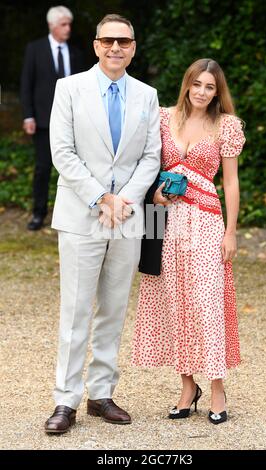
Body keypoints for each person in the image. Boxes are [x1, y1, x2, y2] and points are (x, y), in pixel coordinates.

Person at [45, 14, 161, 433]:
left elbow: (151, 156)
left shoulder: (147, 95)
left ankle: (101, 394)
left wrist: (126, 200)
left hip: (128, 218)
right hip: (82, 214)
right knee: (75, 311)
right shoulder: (69, 88)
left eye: (124, 42)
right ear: (95, 45)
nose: (116, 48)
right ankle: (65, 401)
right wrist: (101, 197)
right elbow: (62, 151)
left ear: (133, 46)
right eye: (108, 41)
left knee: (114, 310)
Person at [132, 58, 246, 425]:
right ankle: (186, 386)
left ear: (217, 92)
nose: (201, 92)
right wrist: (154, 195)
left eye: (209, 87)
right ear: (187, 84)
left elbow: (230, 182)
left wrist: (231, 231)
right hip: (162, 221)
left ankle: (217, 388)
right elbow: (145, 164)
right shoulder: (164, 117)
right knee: (171, 302)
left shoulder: (226, 125)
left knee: (206, 303)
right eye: (196, 84)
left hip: (206, 221)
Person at [20, 5, 85, 231]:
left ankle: (73, 215)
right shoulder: (34, 49)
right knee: (43, 167)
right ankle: (39, 213)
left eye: (69, 24)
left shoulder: (76, 53)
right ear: (52, 25)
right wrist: (28, 115)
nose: (68, 29)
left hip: (75, 121)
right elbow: (26, 85)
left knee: (75, 168)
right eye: (63, 24)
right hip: (44, 121)